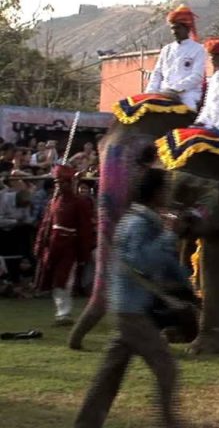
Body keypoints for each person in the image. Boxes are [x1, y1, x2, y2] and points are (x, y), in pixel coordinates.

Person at [74, 166, 191, 428]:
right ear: (157, 192)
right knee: (165, 366)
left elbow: (162, 263)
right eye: (167, 187)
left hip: (128, 307)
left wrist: (185, 285)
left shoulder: (144, 220)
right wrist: (170, 234)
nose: (170, 192)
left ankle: (86, 423)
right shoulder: (139, 224)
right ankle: (169, 422)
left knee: (110, 373)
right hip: (132, 310)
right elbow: (144, 262)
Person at [34, 164, 95, 326]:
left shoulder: (79, 203)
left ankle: (64, 313)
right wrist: (40, 245)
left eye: (62, 182)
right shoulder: (52, 203)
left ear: (69, 183)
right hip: (53, 245)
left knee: (65, 278)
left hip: (69, 245)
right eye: (57, 183)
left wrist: (83, 251)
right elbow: (45, 224)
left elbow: (85, 229)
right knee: (55, 279)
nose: (59, 185)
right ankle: (61, 312)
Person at [145, 5, 206, 111]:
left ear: (187, 28)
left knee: (188, 113)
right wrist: (150, 92)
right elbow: (157, 73)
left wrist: (174, 90)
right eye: (172, 28)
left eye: (178, 28)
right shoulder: (166, 49)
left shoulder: (198, 49)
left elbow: (197, 76)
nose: (174, 32)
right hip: (163, 92)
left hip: (187, 94)